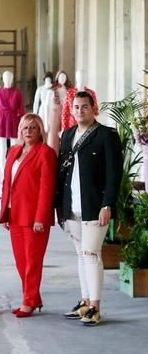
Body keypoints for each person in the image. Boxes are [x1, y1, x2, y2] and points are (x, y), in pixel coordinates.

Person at [56, 91, 123, 326]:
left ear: (93, 109)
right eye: (76, 107)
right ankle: (85, 302)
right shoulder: (67, 135)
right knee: (80, 255)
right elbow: (61, 173)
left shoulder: (106, 135)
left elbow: (114, 174)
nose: (80, 111)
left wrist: (108, 204)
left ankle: (95, 307)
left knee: (91, 254)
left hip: (95, 206)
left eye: (84, 107)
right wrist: (60, 206)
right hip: (72, 206)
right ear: (71, 109)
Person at [0, 113, 57, 317]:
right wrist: (5, 212)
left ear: (40, 130)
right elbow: (8, 183)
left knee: (33, 262)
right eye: (25, 128)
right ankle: (33, 298)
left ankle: (29, 301)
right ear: (19, 131)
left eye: (33, 128)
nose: (28, 132)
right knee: (21, 261)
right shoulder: (14, 150)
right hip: (14, 214)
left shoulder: (45, 153)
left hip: (34, 218)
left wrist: (41, 218)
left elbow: (46, 188)